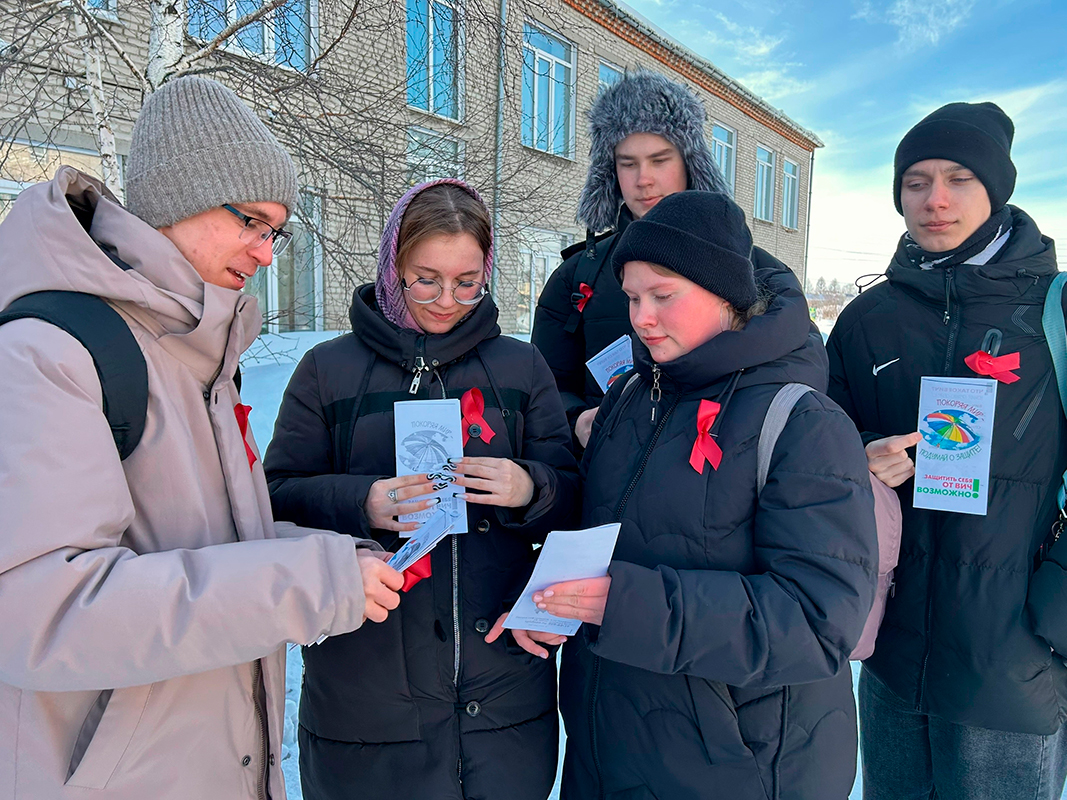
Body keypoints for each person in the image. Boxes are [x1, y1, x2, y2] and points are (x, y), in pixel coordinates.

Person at [0, 76, 403, 800]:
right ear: (181, 197)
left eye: (276, 231)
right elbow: (43, 612)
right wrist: (303, 583)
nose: (267, 253)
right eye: (253, 222)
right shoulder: (48, 351)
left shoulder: (204, 357)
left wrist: (330, 560)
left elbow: (202, 543)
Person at [527, 190, 878, 798]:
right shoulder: (631, 397)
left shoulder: (802, 422)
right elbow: (600, 525)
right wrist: (532, 507)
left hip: (737, 766)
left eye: (663, 296)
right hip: (608, 749)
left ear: (726, 294)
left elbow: (818, 621)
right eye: (632, 298)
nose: (641, 318)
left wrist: (626, 604)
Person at [263, 179, 581, 800]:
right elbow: (275, 497)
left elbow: (573, 499)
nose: (446, 301)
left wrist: (530, 486)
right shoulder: (329, 370)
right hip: (369, 702)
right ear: (393, 266)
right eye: (426, 280)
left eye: (467, 282)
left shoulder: (519, 367)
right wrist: (363, 502)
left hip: (503, 699)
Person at [826, 101, 1067, 799]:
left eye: (959, 178)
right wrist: (859, 453)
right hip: (893, 655)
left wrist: (1054, 608)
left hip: (1013, 660)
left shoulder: (1055, 312)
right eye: (916, 181)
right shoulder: (866, 319)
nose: (934, 199)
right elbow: (817, 441)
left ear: (996, 190)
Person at [531, 70, 729, 448]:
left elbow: (795, 375)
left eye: (659, 160)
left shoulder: (748, 267)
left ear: (690, 162)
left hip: (712, 472)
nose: (643, 179)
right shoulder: (576, 276)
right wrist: (576, 420)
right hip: (605, 471)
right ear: (610, 171)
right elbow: (543, 387)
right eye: (628, 163)